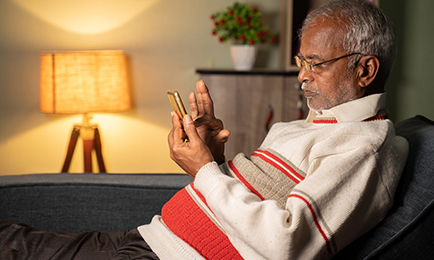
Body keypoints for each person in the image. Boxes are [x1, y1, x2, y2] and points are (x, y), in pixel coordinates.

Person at [0, 0, 408, 259]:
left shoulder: (364, 148)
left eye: (315, 64)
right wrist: (215, 159)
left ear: (365, 69)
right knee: (9, 238)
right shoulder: (310, 125)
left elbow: (286, 242)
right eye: (300, 62)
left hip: (170, 255)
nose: (301, 77)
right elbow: (252, 206)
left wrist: (205, 172)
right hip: (151, 236)